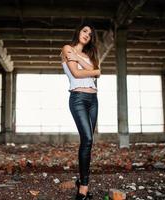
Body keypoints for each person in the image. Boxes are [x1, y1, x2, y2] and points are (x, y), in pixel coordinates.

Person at [60, 22, 101, 200]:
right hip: (77, 99)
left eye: (90, 34)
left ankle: (82, 181)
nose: (87, 35)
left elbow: (97, 73)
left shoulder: (89, 54)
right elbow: (76, 73)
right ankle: (83, 188)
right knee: (88, 139)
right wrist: (93, 70)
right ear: (78, 31)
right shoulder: (67, 48)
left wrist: (90, 67)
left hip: (93, 100)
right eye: (85, 31)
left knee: (88, 143)